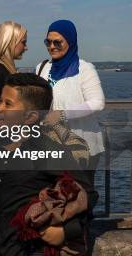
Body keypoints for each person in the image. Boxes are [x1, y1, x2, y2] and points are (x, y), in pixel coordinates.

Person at [0, 73, 94, 256]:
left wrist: (65, 231)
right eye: (0, 101)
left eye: (8, 104)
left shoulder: (48, 150)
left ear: (30, 117)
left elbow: (87, 193)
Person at [36, 19, 105, 167]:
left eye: (57, 42)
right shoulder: (42, 68)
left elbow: (97, 103)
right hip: (50, 146)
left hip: (81, 146)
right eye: (48, 42)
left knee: (79, 189)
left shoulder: (85, 69)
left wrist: (62, 114)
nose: (52, 47)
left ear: (70, 41)